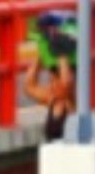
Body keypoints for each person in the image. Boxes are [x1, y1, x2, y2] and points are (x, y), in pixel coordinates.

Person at [25, 10, 78, 141]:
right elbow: (29, 86)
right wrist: (41, 54)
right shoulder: (51, 99)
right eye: (51, 80)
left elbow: (66, 83)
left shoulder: (71, 102)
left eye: (55, 80)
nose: (51, 83)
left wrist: (61, 54)